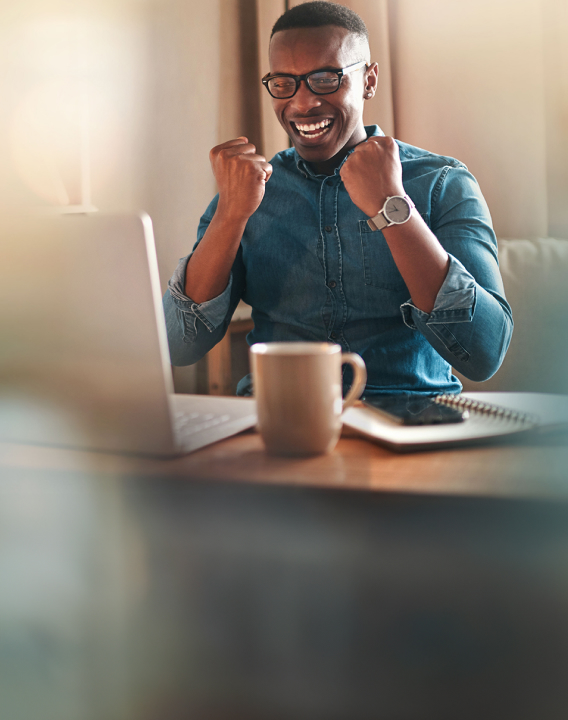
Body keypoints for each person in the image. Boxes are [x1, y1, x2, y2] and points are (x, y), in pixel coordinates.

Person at [163, 1, 512, 397]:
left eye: (326, 78)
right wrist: (230, 215)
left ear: (368, 80)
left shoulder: (442, 183)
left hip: (411, 426)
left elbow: (484, 352)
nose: (302, 102)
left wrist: (391, 208)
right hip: (276, 427)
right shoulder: (246, 195)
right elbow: (179, 345)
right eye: (283, 83)